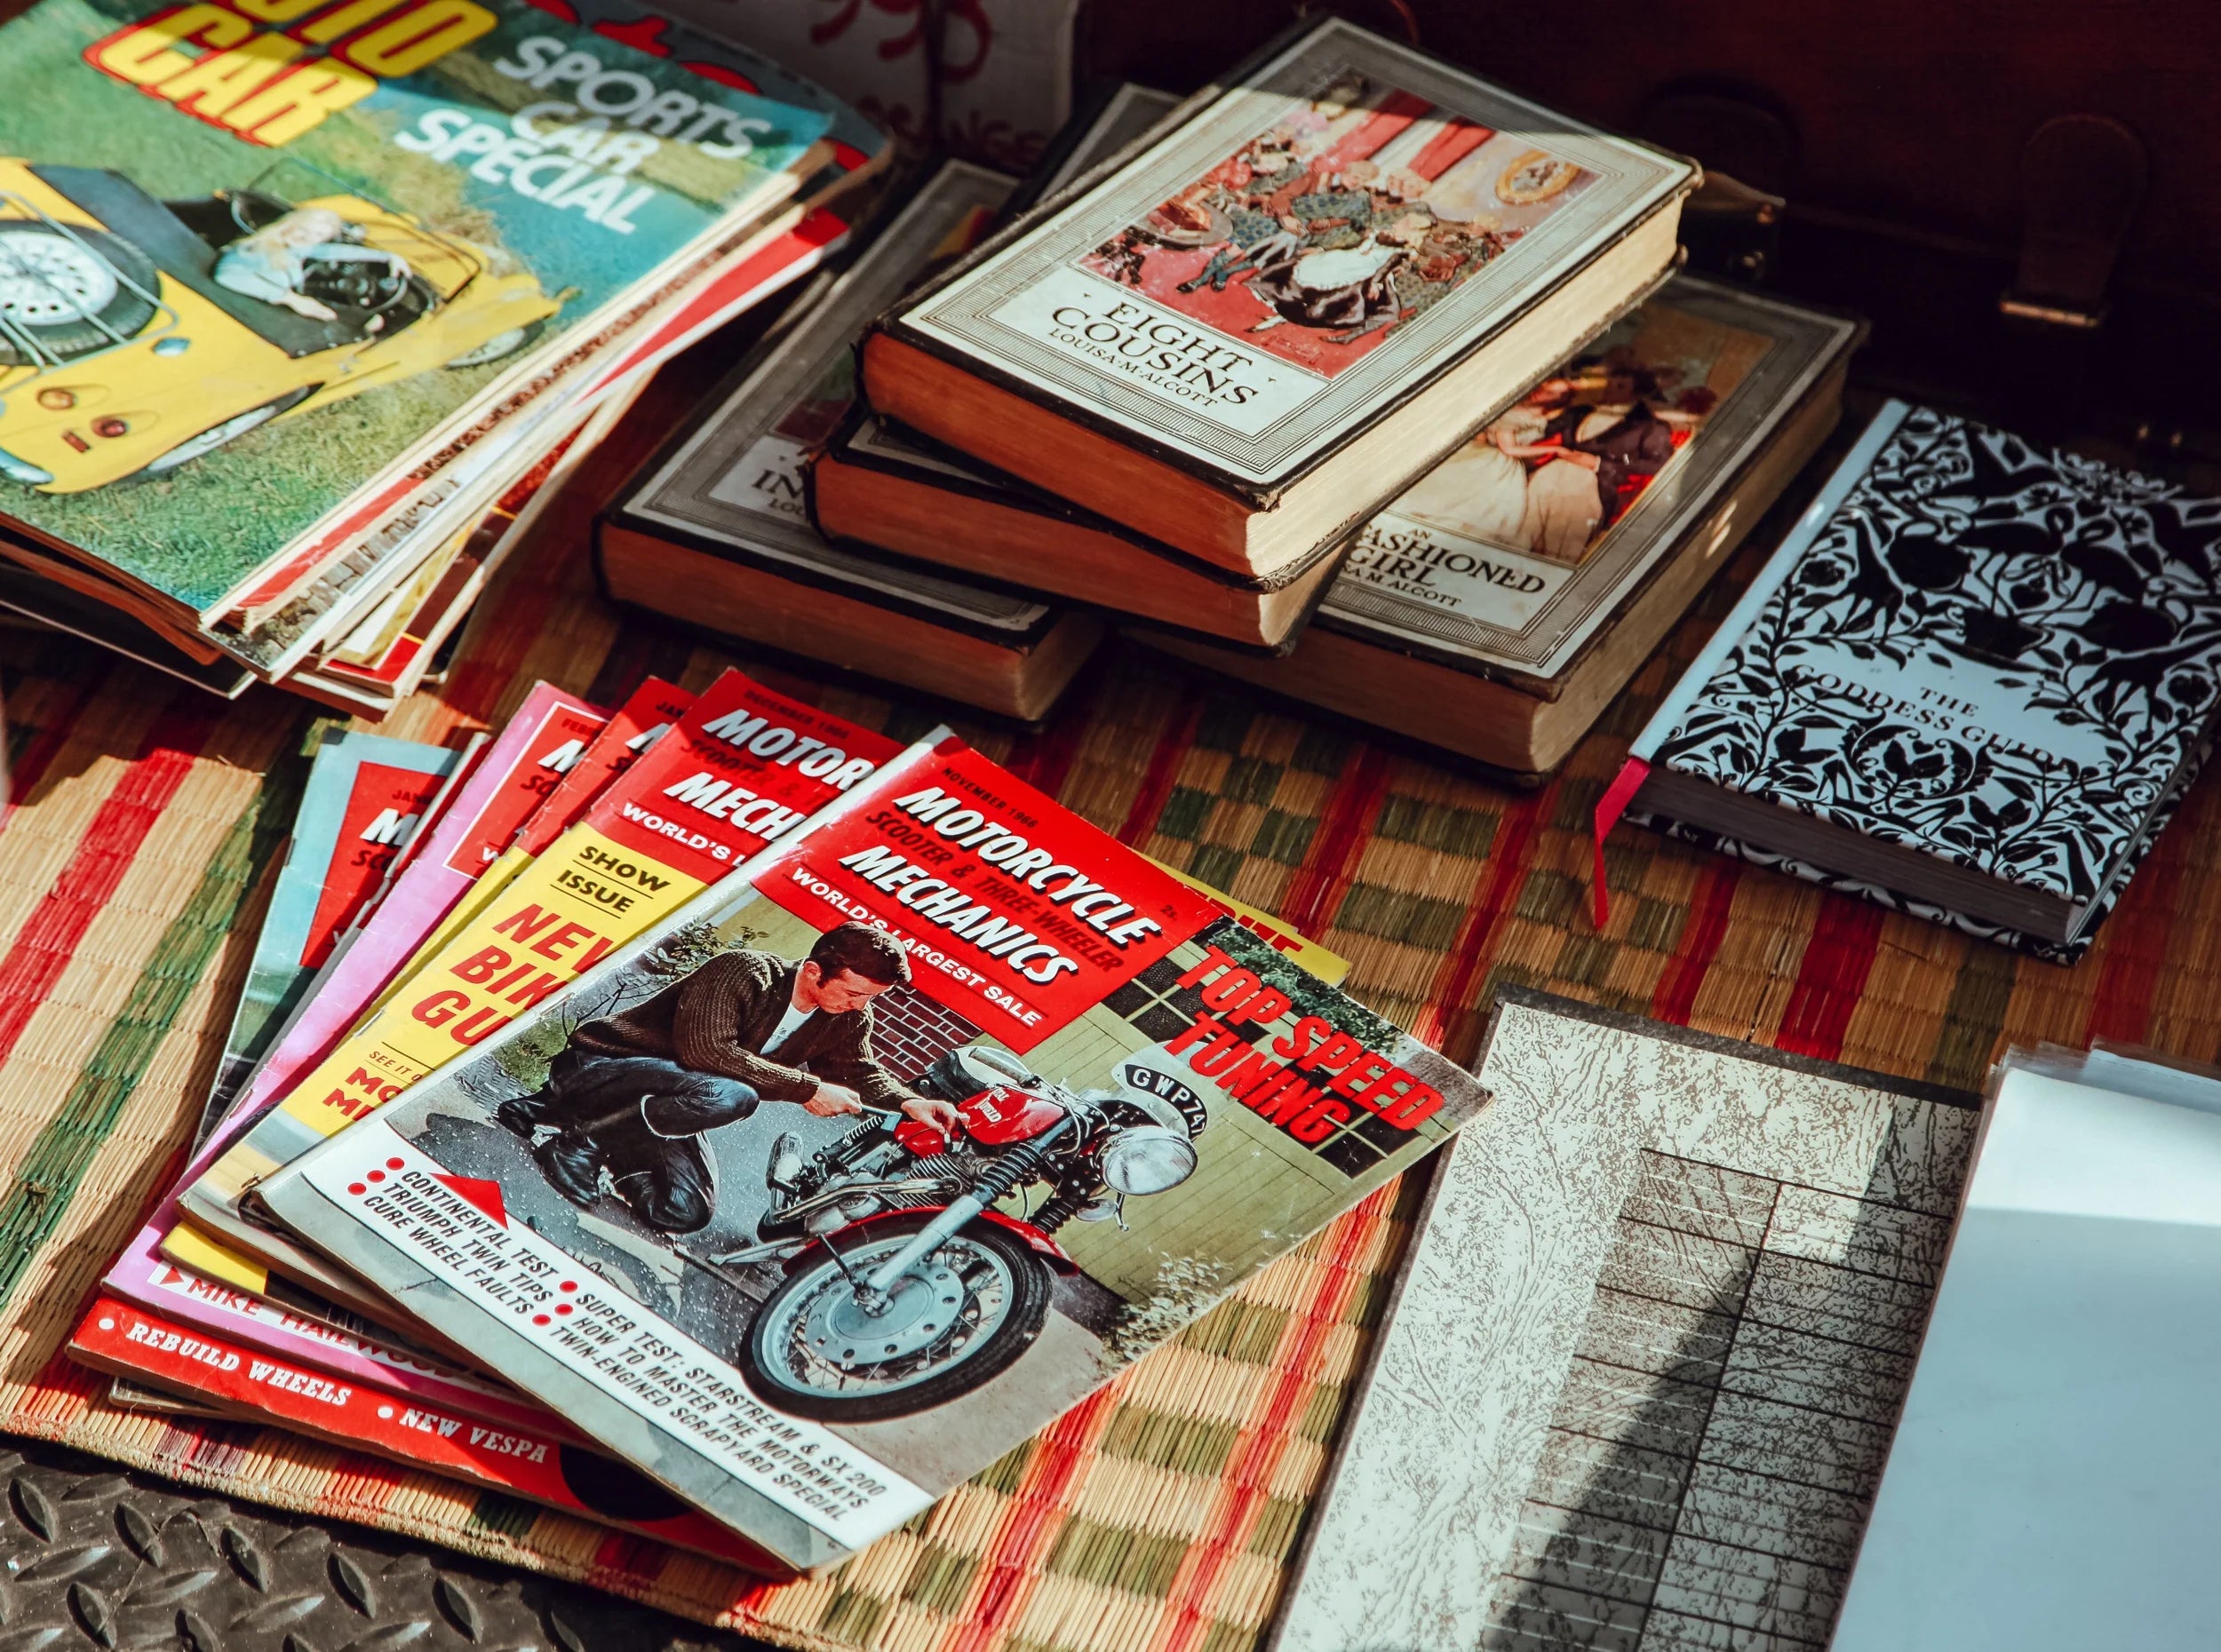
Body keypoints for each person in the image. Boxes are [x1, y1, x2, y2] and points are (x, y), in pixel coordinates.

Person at [497, 923, 960, 1235]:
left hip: (667, 1102)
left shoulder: (847, 1018)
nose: (861, 1006)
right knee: (731, 1095)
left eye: (870, 998)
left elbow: (860, 1072)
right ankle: (576, 1142)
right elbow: (705, 1051)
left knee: (684, 1212)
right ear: (815, 971)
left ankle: (595, 1134)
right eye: (855, 992)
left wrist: (908, 1103)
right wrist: (807, 1089)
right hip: (601, 1070)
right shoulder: (744, 970)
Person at [213, 204, 408, 323]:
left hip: (264, 308)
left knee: (371, 321)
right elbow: (226, 276)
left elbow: (328, 251)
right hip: (241, 309)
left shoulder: (295, 246)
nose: (307, 238)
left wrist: (386, 257)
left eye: (318, 235)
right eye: (304, 229)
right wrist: (289, 298)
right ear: (290, 224)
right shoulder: (259, 248)